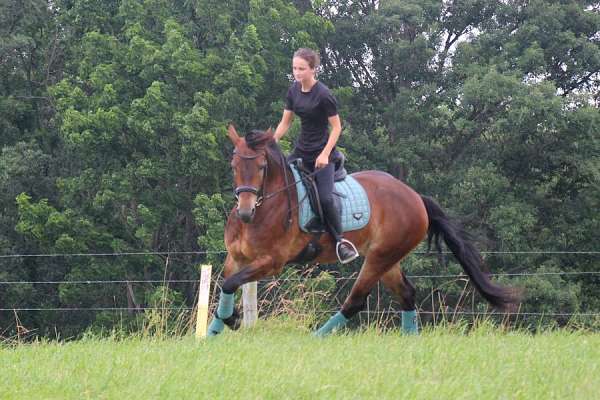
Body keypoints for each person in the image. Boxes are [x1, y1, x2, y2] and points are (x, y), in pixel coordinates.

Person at [274, 48, 359, 264]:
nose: (297, 72)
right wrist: (270, 142)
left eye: (301, 69)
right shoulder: (293, 91)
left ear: (313, 69)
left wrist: (324, 154)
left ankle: (340, 242)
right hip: (301, 151)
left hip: (323, 155)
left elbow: (337, 128)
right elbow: (286, 122)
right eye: (294, 68)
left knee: (325, 198)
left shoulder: (324, 94)